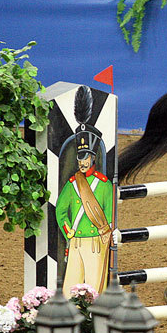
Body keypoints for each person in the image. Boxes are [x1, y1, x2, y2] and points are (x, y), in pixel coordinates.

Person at [55, 122, 113, 297]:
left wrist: (106, 236)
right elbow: (61, 210)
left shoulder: (104, 185)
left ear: (93, 158)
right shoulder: (73, 184)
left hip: (95, 242)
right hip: (75, 242)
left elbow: (110, 215)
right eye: (80, 158)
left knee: (94, 292)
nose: (83, 162)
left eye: (86, 158)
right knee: (69, 292)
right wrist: (68, 232)